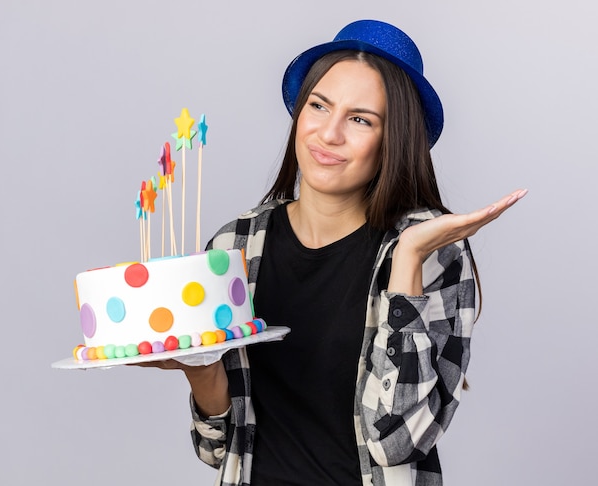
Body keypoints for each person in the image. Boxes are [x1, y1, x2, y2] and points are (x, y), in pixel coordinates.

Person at [143, 19, 527, 485]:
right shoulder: (235, 247)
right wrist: (199, 368)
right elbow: (217, 448)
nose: (329, 134)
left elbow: (398, 442)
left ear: (394, 140)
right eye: (319, 106)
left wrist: (406, 261)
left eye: (361, 119)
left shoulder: (432, 254)